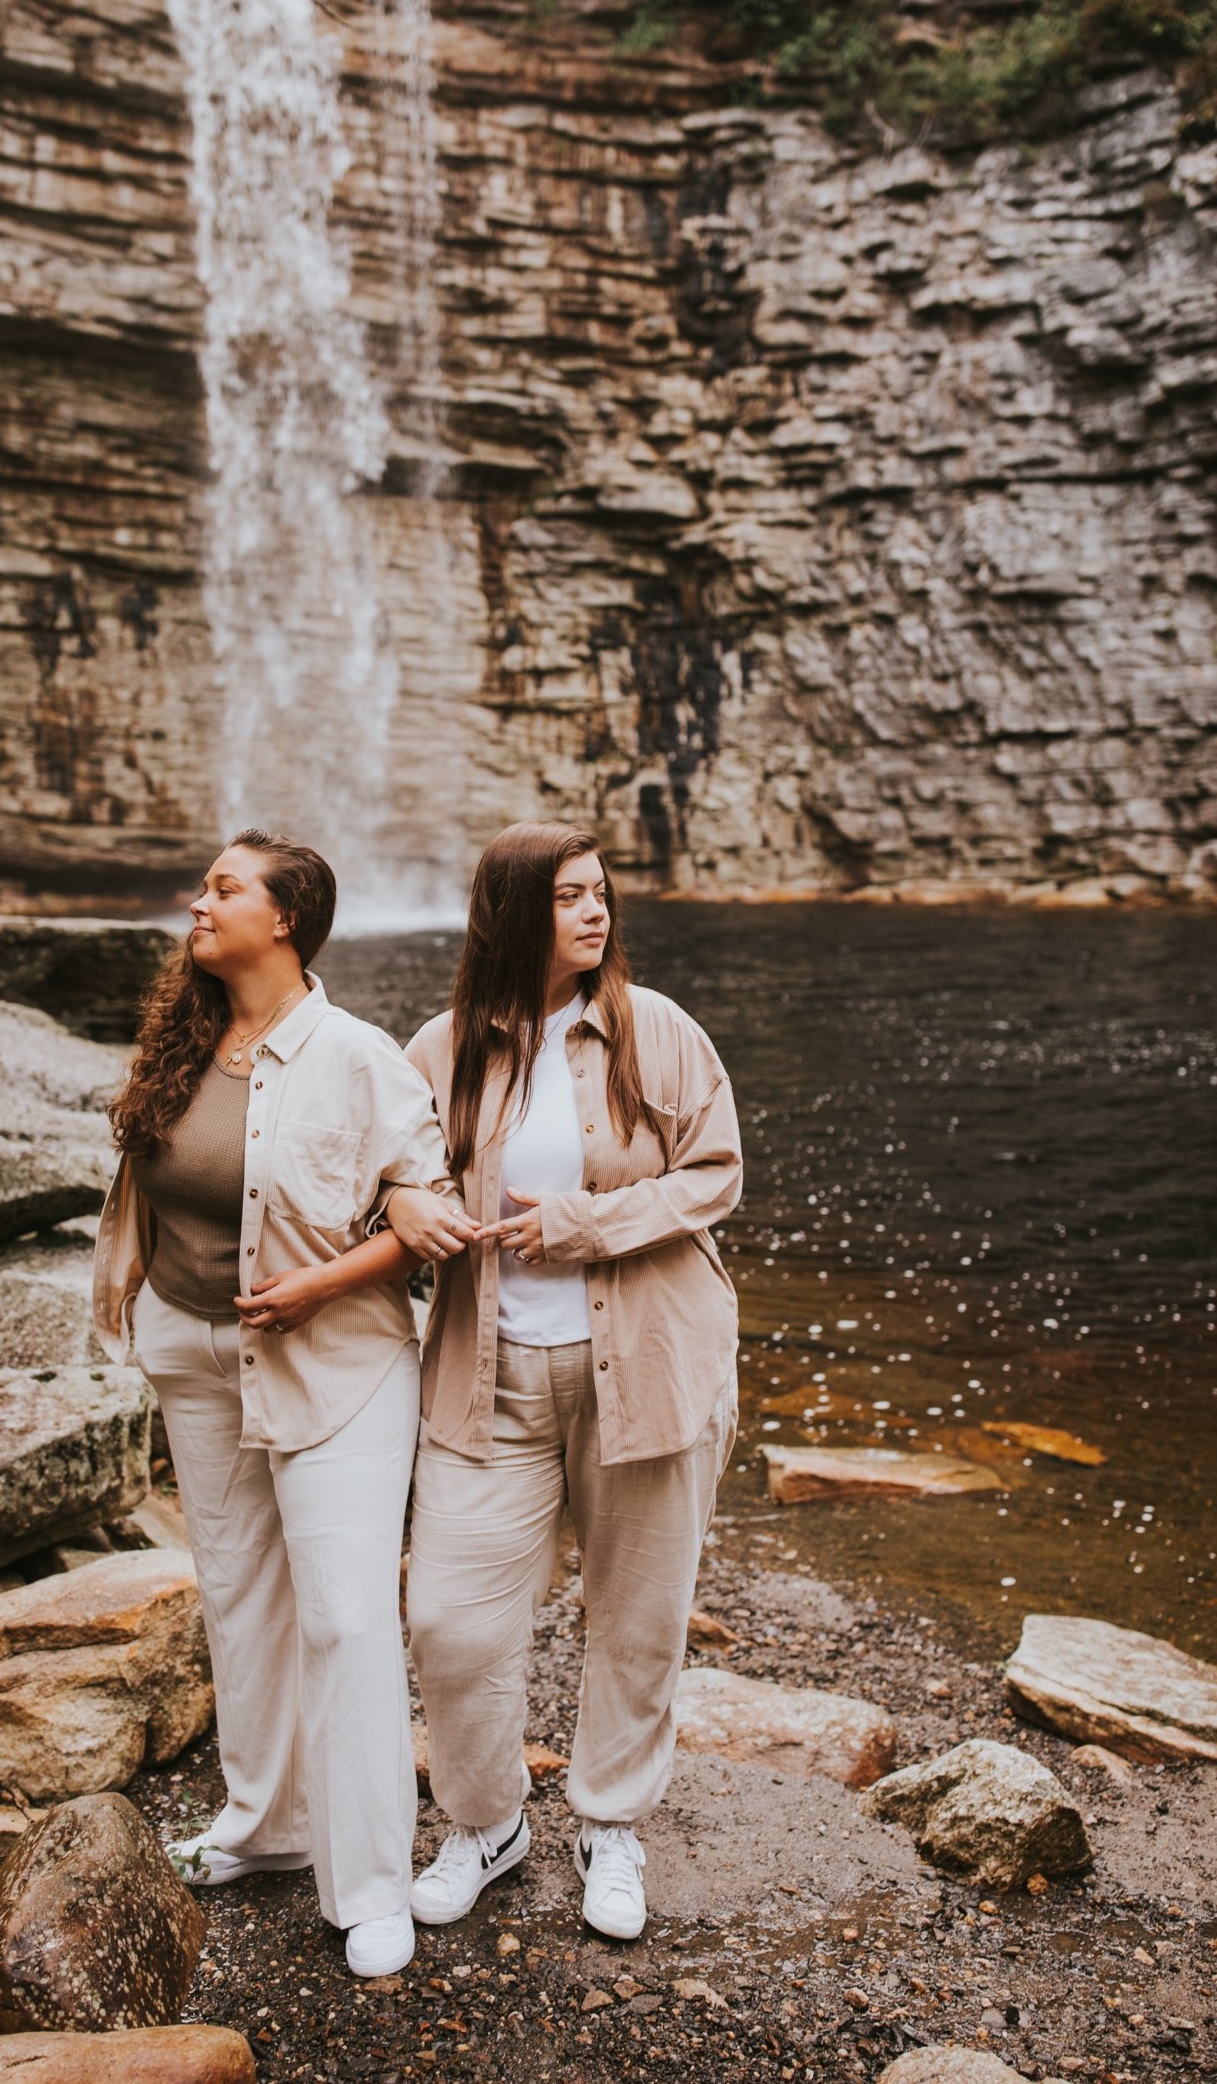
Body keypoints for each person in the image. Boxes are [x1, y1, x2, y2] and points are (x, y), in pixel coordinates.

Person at [92, 829, 466, 1979]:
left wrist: (318, 1282)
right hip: (193, 1355)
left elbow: (428, 1217)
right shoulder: (187, 1039)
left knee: (346, 1616)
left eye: (222, 889)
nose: (195, 904)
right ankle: (265, 1829)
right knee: (238, 1597)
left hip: (338, 1366)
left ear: (287, 919)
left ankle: (374, 1885)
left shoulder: (359, 1057)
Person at [387, 820, 742, 1941]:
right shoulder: (440, 1049)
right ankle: (485, 1825)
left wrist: (585, 1224)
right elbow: (388, 1181)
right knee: (449, 1620)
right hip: (485, 1374)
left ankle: (611, 1826)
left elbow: (715, 1176)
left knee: (637, 1620)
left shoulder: (657, 1032)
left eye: (602, 895)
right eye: (570, 898)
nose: (596, 915)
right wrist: (404, 1205)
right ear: (512, 912)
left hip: (647, 1363)